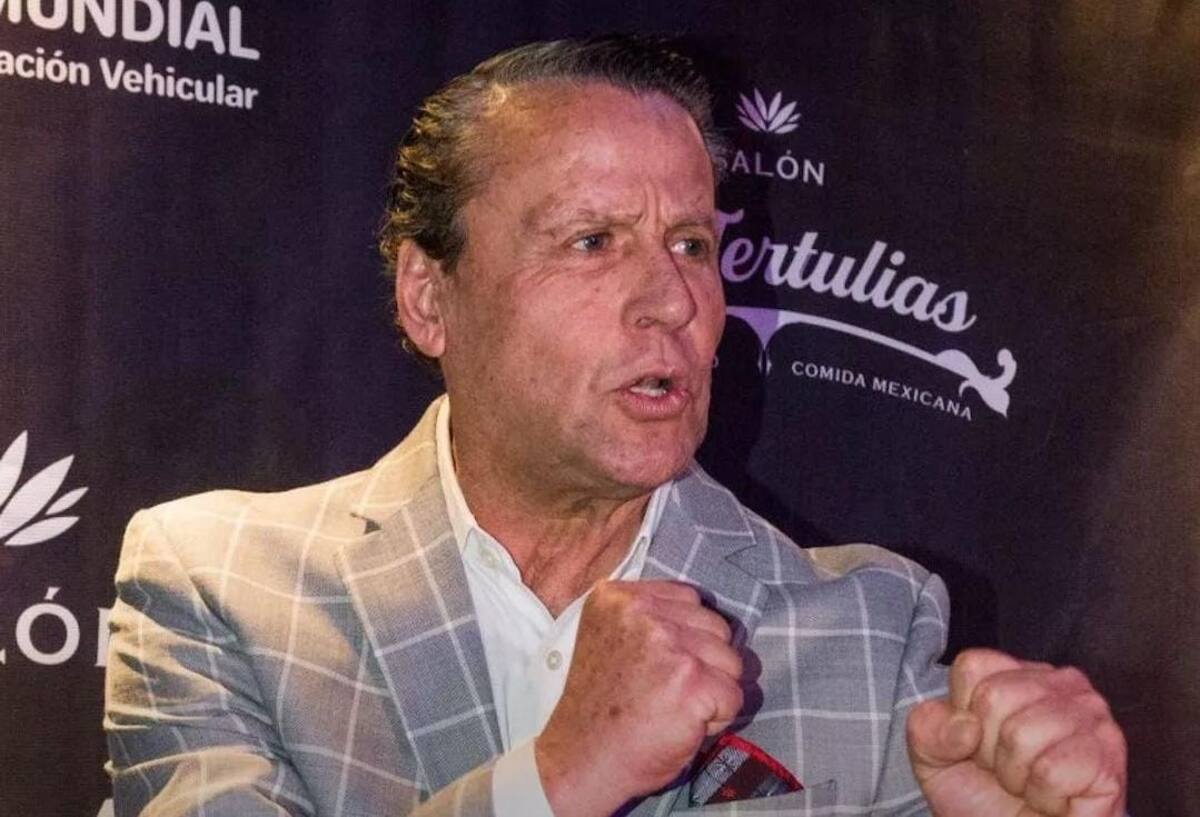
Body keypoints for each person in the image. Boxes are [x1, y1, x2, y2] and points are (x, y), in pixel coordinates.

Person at [104, 36, 1127, 817]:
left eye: (691, 244)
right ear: (429, 297)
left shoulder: (871, 629)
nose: (672, 300)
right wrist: (557, 779)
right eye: (593, 240)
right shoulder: (221, 587)